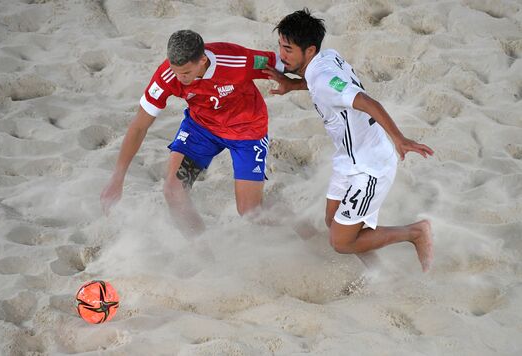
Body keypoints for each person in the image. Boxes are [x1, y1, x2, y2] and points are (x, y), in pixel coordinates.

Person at [264, 9, 435, 272]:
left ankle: (415, 232)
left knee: (341, 242)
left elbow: (367, 101)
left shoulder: (322, 80)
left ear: (309, 51)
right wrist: (291, 85)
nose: (281, 55)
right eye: (280, 46)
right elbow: (325, 86)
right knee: (333, 221)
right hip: (348, 159)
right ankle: (377, 272)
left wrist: (400, 139)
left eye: (288, 49)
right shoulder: (327, 58)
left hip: (370, 166)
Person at [101, 30, 284, 236]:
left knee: (250, 211)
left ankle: (295, 222)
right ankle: (203, 257)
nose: (180, 78)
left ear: (203, 60)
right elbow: (139, 126)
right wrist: (117, 178)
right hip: (202, 129)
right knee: (173, 190)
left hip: (246, 130)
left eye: (186, 73)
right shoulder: (168, 76)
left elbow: (286, 63)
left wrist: (297, 83)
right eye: (175, 71)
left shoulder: (237, 60)